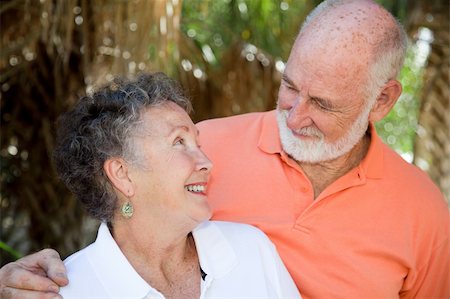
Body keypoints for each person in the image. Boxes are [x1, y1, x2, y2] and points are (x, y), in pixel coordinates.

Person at [0, 0, 449, 298]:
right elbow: (123, 227)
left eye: (324, 104)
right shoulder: (203, 146)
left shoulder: (426, 213)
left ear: (383, 101)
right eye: (290, 86)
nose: (293, 116)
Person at [0, 72, 300, 298]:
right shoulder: (68, 291)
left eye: (198, 142)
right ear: (122, 174)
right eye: (178, 142)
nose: (206, 161)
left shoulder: (252, 250)